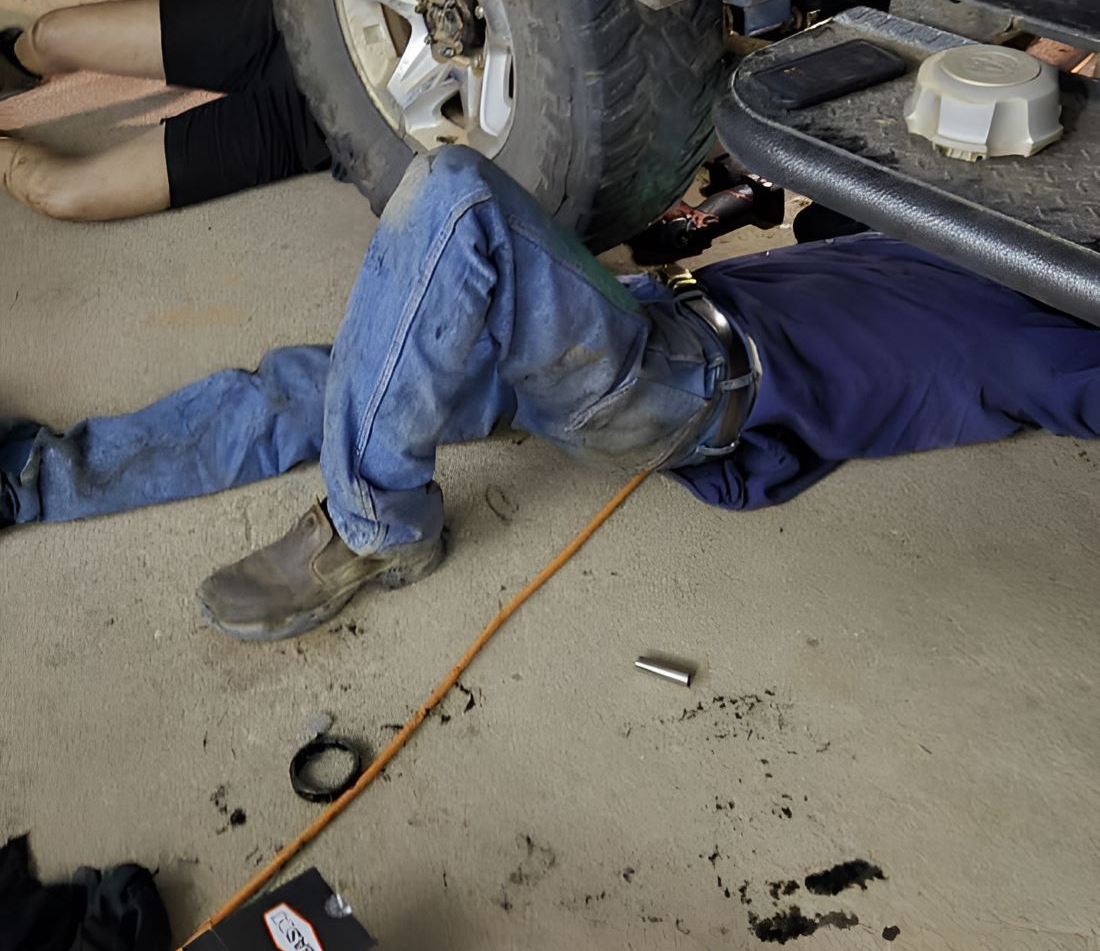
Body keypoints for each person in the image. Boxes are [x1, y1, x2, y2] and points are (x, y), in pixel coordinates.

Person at [2, 145, 1098, 642]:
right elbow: (813, 197)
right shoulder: (951, 228)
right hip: (640, 315)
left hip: (681, 386)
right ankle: (32, 479)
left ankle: (375, 522)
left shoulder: (1033, 335)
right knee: (335, 379)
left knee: (457, 198)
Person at [0, 0, 330, 220]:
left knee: (56, 193)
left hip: (308, 122)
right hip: (285, 21)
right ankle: (11, 62)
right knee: (49, 36)